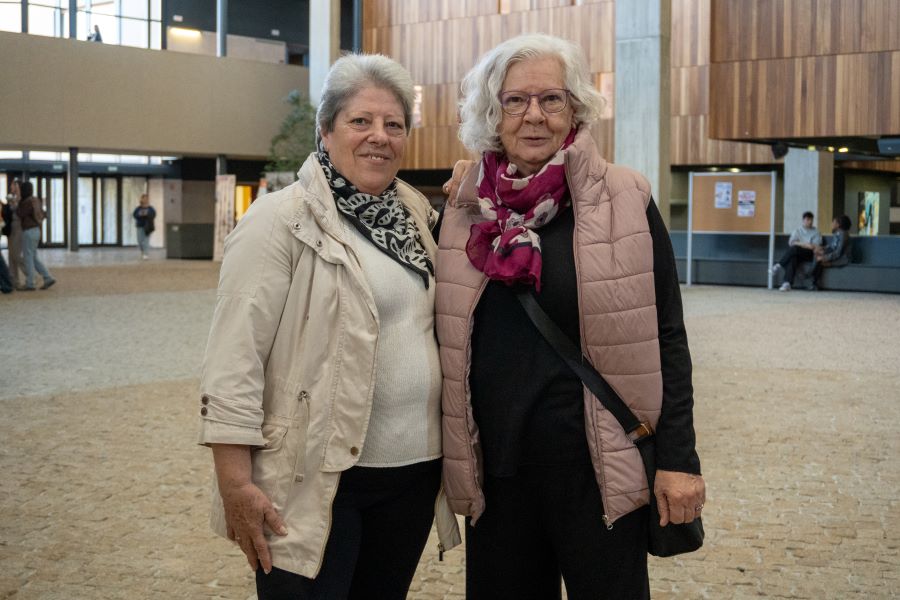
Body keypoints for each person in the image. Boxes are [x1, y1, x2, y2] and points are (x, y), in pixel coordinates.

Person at [436, 34, 704, 600]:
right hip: (499, 478)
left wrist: (678, 461)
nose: (533, 116)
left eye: (551, 99)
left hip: (600, 473)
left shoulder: (626, 198)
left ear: (575, 108)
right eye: (515, 101)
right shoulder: (463, 208)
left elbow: (668, 336)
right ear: (493, 111)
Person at [198, 53, 459, 600]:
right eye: (360, 121)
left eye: (393, 124)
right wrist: (235, 482)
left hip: (412, 476)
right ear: (326, 130)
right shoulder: (279, 219)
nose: (378, 137)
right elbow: (233, 359)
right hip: (316, 480)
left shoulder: (416, 216)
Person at [770, 211, 823, 291]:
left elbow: (814, 246)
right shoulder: (797, 230)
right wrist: (805, 244)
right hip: (798, 252)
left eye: (811, 220)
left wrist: (801, 244)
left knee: (795, 248)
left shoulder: (816, 232)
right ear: (803, 220)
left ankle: (779, 265)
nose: (810, 222)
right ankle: (787, 283)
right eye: (808, 220)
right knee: (792, 257)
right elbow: (791, 243)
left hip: (810, 254)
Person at [16, 181, 55, 291]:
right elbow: (44, 213)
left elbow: (20, 214)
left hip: (28, 231)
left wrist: (17, 203)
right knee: (33, 257)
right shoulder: (36, 200)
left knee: (28, 257)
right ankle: (48, 277)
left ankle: (30, 283)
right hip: (37, 230)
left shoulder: (26, 202)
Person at [812, 214, 853, 285]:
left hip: (842, 259)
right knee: (818, 253)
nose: (831, 224)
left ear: (838, 224)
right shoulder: (838, 233)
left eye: (833, 222)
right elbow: (832, 246)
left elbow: (838, 253)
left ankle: (813, 280)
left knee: (820, 260)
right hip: (836, 256)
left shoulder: (843, 235)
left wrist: (824, 258)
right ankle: (813, 279)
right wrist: (822, 249)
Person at [4, 179, 25, 289]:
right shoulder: (12, 198)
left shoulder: (21, 199)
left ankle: (31, 274)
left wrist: (13, 203)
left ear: (18, 186)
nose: (11, 186)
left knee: (16, 254)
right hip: (11, 227)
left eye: (13, 184)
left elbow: (19, 212)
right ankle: (14, 281)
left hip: (19, 227)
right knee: (11, 255)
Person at [132, 194, 156, 260]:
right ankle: (143, 251)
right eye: (144, 198)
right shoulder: (138, 208)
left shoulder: (151, 208)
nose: (145, 200)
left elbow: (153, 215)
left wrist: (147, 214)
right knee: (139, 241)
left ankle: (146, 254)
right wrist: (140, 214)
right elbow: (134, 215)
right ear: (141, 199)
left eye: (146, 198)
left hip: (148, 226)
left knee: (146, 240)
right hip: (139, 226)